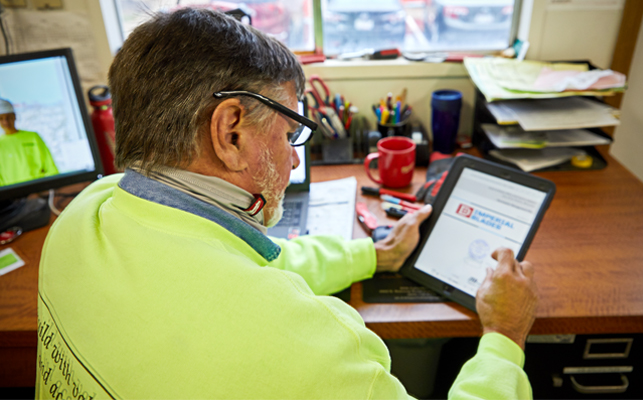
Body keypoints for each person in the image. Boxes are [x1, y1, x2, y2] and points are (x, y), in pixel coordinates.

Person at [36, 8, 538, 400]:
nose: (295, 164)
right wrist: (503, 338)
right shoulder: (307, 352)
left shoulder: (85, 214)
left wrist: (373, 255)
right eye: (292, 132)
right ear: (230, 132)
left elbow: (246, 262)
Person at [0, 98, 59, 186]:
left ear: (14, 116)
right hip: (11, 195)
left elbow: (50, 166)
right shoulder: (1, 144)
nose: (6, 122)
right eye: (1, 118)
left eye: (8, 117)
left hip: (38, 190)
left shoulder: (33, 137)